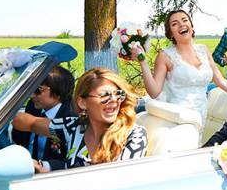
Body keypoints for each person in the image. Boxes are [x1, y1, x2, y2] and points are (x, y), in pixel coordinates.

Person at [130, 9, 227, 129]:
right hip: (176, 118)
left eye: (185, 20)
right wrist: (143, 62)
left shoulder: (203, 50)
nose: (181, 25)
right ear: (171, 33)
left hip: (200, 115)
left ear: (191, 26)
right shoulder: (165, 56)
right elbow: (154, 92)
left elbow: (220, 81)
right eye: (175, 24)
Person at [12, 67, 148, 168]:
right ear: (82, 103)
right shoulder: (73, 128)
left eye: (118, 94)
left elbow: (121, 182)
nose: (114, 100)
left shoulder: (133, 135)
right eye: (105, 95)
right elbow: (30, 123)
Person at [10, 65, 76, 173]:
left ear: (58, 92)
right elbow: (20, 138)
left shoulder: (71, 118)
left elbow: (70, 160)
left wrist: (42, 166)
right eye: (31, 88)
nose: (32, 95)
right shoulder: (33, 106)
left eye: (38, 90)